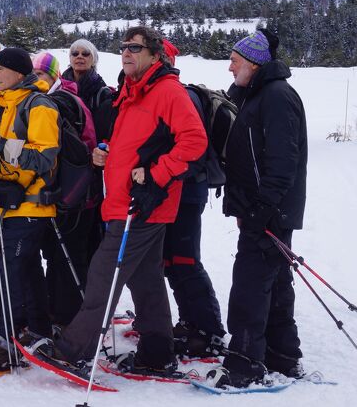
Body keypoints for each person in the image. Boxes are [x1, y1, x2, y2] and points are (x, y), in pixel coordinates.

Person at [35, 26, 207, 379]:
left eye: (135, 47)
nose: (126, 53)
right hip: (125, 201)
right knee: (146, 280)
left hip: (142, 204)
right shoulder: (132, 92)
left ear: (155, 55)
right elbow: (136, 143)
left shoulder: (167, 92)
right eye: (124, 47)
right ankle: (158, 354)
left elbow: (194, 142)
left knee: (103, 274)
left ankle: (73, 350)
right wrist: (107, 155)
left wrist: (156, 175)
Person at [207, 29, 308, 389]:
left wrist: (263, 206)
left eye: (234, 61)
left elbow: (283, 160)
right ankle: (282, 355)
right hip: (264, 208)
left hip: (269, 209)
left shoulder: (277, 97)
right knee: (275, 279)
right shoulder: (256, 94)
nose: (229, 67)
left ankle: (245, 363)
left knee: (251, 281)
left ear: (253, 63)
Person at [0, 47, 61, 372]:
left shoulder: (39, 105)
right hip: (4, 205)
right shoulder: (2, 107)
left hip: (30, 204)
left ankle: (12, 337)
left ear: (18, 73)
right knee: (25, 271)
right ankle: (36, 330)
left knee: (14, 273)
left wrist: (2, 149)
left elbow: (46, 155)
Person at [160, 40, 226, 358]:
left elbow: (191, 148)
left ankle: (208, 330)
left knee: (185, 260)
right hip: (175, 190)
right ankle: (191, 322)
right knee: (173, 261)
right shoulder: (167, 93)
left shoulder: (182, 96)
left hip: (186, 190)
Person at [32, 51, 99, 330]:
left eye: (41, 76)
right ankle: (58, 309)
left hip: (74, 195)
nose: (35, 81)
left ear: (54, 77)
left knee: (68, 257)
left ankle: (70, 319)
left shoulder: (59, 102)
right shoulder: (61, 99)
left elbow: (66, 152)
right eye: (32, 75)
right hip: (73, 193)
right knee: (59, 256)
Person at [61, 39, 108, 111]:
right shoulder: (59, 86)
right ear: (70, 59)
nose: (79, 56)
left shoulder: (101, 92)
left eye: (85, 53)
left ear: (94, 60)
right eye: (75, 53)